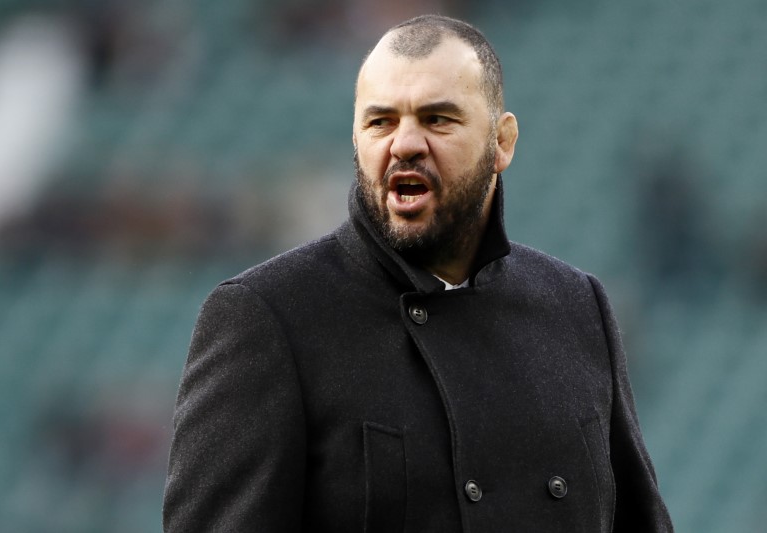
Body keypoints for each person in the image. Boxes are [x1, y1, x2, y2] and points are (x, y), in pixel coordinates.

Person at [163, 14, 673, 532]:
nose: (404, 143)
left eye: (437, 119)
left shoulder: (576, 306)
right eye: (380, 121)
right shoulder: (265, 317)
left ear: (502, 142)